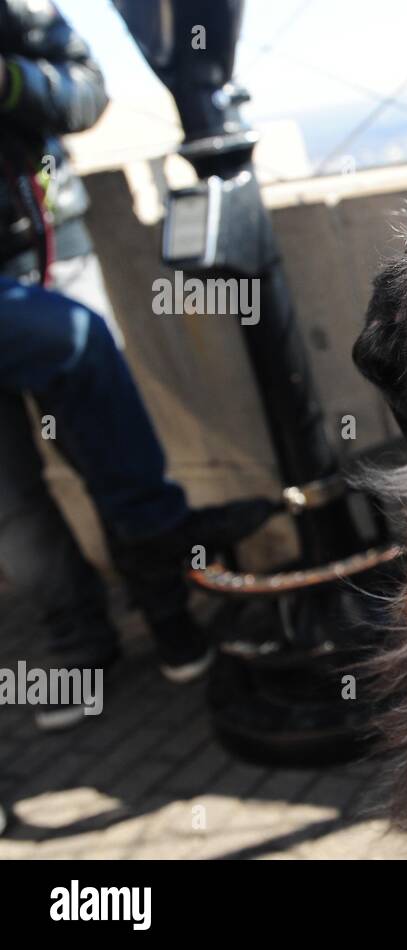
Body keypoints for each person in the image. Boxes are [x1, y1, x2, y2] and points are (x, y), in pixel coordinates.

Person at [0, 0, 271, 730]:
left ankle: (173, 619)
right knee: (14, 503)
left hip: (52, 253)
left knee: (111, 453)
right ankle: (80, 648)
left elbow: (85, 89)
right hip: (43, 289)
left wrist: (10, 81)